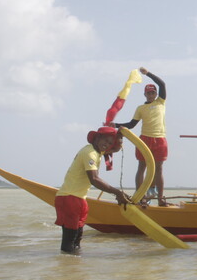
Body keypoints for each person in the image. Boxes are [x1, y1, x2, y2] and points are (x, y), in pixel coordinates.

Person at [55, 127, 130, 253]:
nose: (107, 145)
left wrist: (121, 136)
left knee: (77, 241)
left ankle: (76, 269)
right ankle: (67, 268)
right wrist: (118, 193)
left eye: (110, 142)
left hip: (80, 199)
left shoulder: (98, 152)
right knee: (69, 243)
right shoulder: (89, 153)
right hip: (69, 198)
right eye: (105, 140)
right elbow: (94, 179)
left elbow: (116, 148)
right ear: (97, 138)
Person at [113, 67, 169, 206]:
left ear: (156, 94)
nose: (151, 95)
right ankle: (140, 197)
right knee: (142, 167)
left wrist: (148, 73)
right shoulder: (140, 108)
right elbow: (131, 125)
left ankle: (160, 199)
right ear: (145, 95)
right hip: (145, 139)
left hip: (160, 139)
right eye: (148, 93)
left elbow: (162, 84)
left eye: (152, 92)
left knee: (159, 168)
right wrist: (114, 125)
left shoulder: (160, 102)